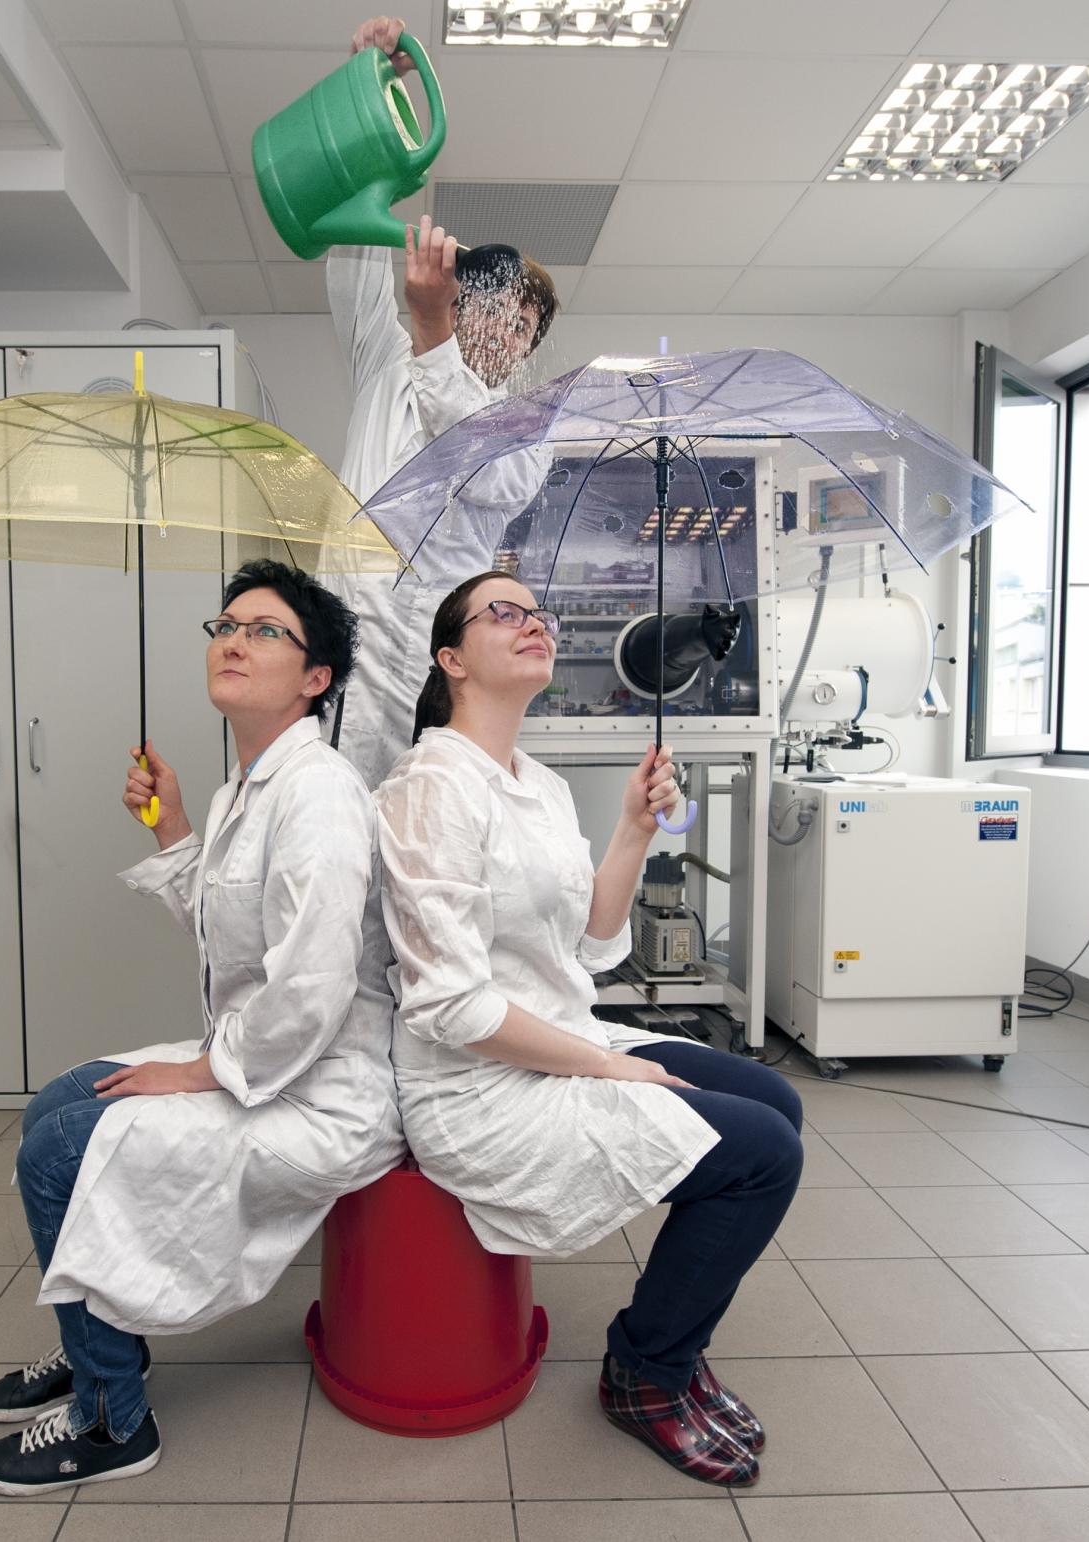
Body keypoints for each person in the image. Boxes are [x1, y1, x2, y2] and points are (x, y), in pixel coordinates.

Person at [0, 559, 404, 1497]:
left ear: (316, 679)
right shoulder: (243, 787)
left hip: (321, 1087)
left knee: (62, 1153)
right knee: (53, 1106)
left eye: (265, 631)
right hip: (261, 1056)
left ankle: (110, 1415)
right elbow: (227, 930)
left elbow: (314, 989)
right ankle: (98, 1340)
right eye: (224, 625)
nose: (233, 641)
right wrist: (171, 828)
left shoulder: (320, 794)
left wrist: (204, 1073)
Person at [373, 571, 804, 1488]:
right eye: (505, 612)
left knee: (773, 1097)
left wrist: (633, 830)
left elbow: (595, 941)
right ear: (452, 658)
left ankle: (668, 1338)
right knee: (763, 1153)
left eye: (539, 611)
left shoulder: (540, 783)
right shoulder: (428, 789)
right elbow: (451, 1007)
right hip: (478, 1083)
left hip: (559, 1038)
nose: (533, 621)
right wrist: (618, 1070)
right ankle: (647, 1374)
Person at [323, 16, 561, 789]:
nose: (507, 329)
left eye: (524, 325)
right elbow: (355, 251)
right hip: (335, 652)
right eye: (496, 307)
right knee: (326, 849)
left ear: (528, 350)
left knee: (422, 850)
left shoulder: (527, 432)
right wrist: (373, 94)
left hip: (435, 668)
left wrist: (432, 331)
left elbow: (477, 459)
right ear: (464, 305)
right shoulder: (388, 361)